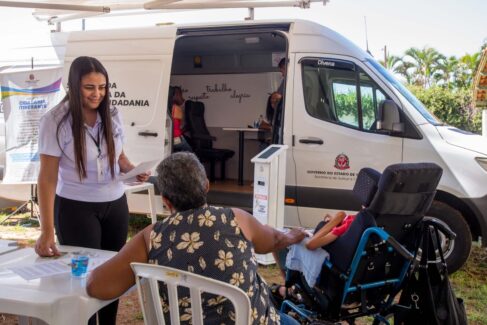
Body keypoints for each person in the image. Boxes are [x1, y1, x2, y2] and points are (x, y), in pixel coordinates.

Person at [86, 152, 306, 325]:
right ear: (207, 186)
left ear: (166, 201)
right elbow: (273, 242)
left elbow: (97, 286)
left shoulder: (151, 236)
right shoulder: (237, 219)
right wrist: (291, 235)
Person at [35, 56, 150, 325]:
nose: (97, 94)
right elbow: (47, 177)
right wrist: (46, 230)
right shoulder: (54, 121)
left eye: (102, 87)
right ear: (74, 86)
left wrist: (131, 169)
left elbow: (118, 155)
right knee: (82, 280)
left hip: (115, 203)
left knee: (112, 277)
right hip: (75, 208)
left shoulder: (110, 113)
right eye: (89, 87)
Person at [171, 86, 192, 152]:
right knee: (189, 152)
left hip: (183, 134)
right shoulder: (175, 107)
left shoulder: (187, 105)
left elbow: (188, 125)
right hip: (176, 136)